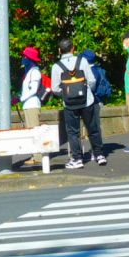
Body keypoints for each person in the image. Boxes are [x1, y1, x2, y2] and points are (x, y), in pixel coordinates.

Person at [51, 38, 105, 169]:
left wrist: (66, 94)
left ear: (59, 51)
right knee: (93, 128)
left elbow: (55, 88)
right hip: (87, 101)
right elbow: (91, 81)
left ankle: (77, 158)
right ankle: (99, 155)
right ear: (73, 48)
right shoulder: (83, 61)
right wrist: (86, 92)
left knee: (73, 132)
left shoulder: (56, 67)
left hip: (69, 104)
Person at [80, 49, 109, 162]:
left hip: (93, 101)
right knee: (94, 126)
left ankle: (96, 150)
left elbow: (90, 87)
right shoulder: (97, 69)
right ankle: (96, 150)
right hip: (98, 100)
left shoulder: (90, 71)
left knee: (94, 127)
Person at [18, 46, 45, 166]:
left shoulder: (34, 72)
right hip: (28, 105)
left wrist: (20, 98)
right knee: (31, 130)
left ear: (29, 59)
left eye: (25, 56)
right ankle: (35, 155)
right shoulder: (30, 72)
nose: (23, 59)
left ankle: (38, 156)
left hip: (32, 105)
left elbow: (33, 90)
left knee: (34, 131)